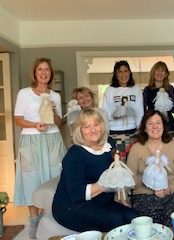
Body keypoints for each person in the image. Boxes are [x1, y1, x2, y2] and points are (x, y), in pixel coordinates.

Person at [52, 108, 138, 232]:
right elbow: (76, 194)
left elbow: (116, 171)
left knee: (133, 216)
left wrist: (122, 198)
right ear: (79, 130)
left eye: (96, 125)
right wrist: (105, 183)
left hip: (101, 200)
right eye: (86, 127)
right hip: (70, 205)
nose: (93, 130)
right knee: (114, 220)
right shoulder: (75, 154)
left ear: (102, 126)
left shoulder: (109, 143)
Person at [13, 58, 66, 239]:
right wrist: (35, 124)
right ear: (35, 73)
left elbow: (59, 123)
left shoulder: (55, 96)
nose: (43, 73)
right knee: (31, 178)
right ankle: (35, 220)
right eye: (40, 70)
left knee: (55, 176)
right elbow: (17, 119)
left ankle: (51, 216)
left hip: (52, 139)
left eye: (47, 70)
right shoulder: (25, 93)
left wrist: (55, 112)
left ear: (51, 74)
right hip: (31, 140)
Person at [127, 109, 174, 226]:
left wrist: (168, 189)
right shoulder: (136, 148)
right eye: (150, 123)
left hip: (171, 194)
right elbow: (129, 178)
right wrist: (150, 183)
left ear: (163, 127)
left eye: (158, 123)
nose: (155, 126)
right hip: (143, 195)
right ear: (144, 128)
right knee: (150, 220)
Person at [102, 60, 144, 135]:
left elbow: (140, 111)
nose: (123, 75)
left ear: (129, 73)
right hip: (113, 129)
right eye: (120, 72)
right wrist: (106, 130)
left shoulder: (136, 89)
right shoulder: (109, 90)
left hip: (132, 129)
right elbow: (105, 111)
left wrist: (140, 129)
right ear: (116, 74)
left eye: (125, 71)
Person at [143, 61, 174, 131]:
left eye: (162, 70)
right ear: (153, 73)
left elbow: (173, 110)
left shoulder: (170, 88)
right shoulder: (147, 90)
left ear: (166, 74)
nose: (160, 73)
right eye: (157, 70)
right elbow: (143, 110)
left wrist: (164, 101)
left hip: (169, 124)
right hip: (153, 123)